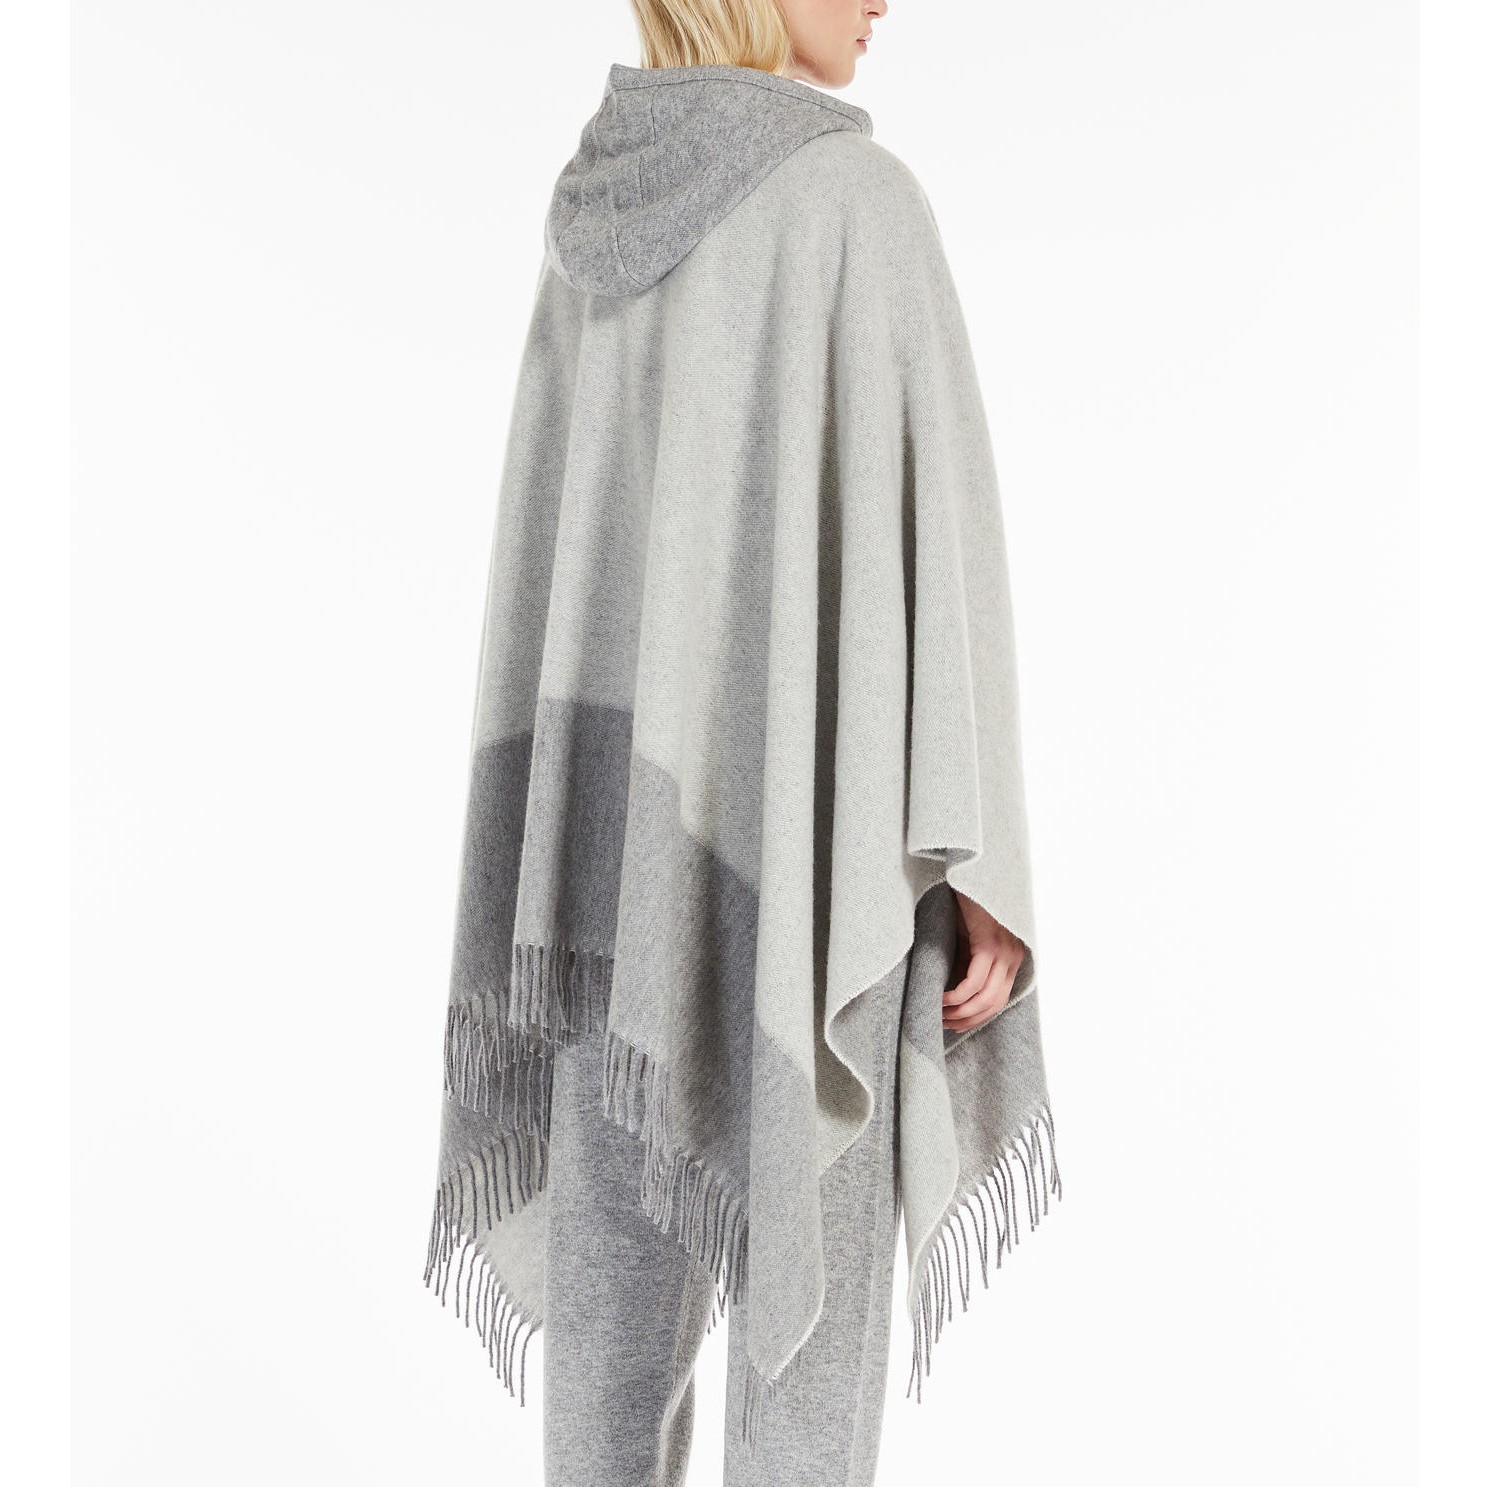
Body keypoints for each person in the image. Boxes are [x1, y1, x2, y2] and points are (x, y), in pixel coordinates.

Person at [422, 3, 1062, 1484]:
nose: (886, 0)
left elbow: (557, 579)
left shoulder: (596, 208)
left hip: (606, 868)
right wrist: (984, 866)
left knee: (605, 1368)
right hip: (826, 859)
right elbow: (947, 557)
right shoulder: (857, 205)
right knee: (809, 1357)